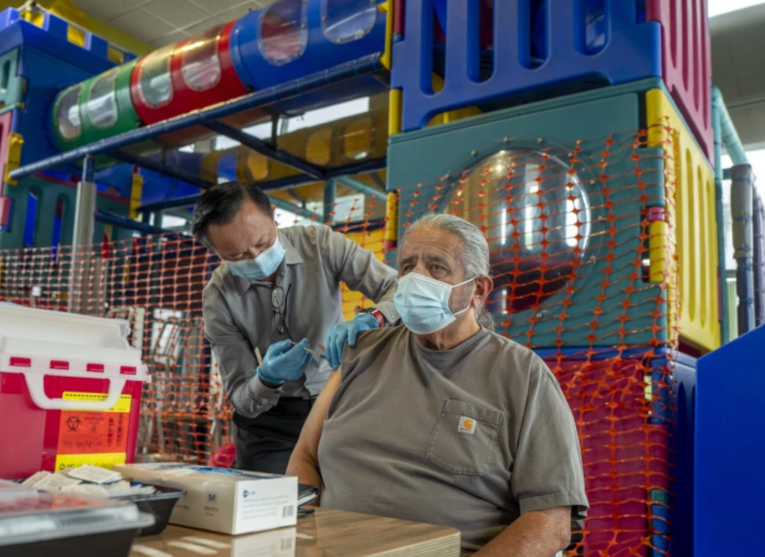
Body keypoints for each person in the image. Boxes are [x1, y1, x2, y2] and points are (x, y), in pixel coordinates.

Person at [287, 213, 588, 556]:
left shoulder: (522, 376)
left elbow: (550, 523)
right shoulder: (361, 353)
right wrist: (305, 540)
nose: (416, 278)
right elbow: (305, 457)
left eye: (436, 267)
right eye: (407, 266)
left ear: (477, 290)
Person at [193, 181, 398, 474]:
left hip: (339, 404)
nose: (256, 258)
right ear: (214, 251)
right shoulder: (218, 297)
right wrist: (266, 379)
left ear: (273, 214)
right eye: (236, 256)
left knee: (351, 501)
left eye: (262, 243)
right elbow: (240, 397)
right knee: (269, 507)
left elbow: (399, 289)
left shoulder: (321, 244)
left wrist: (374, 318)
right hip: (270, 427)